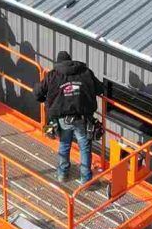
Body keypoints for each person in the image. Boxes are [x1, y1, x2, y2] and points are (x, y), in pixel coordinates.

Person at [35, 51, 103, 183]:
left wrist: (44, 99)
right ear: (71, 61)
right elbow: (100, 89)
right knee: (85, 147)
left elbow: (37, 92)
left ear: (58, 63)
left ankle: (62, 174)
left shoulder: (53, 75)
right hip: (82, 118)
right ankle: (86, 179)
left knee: (64, 144)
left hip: (62, 119)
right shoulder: (85, 72)